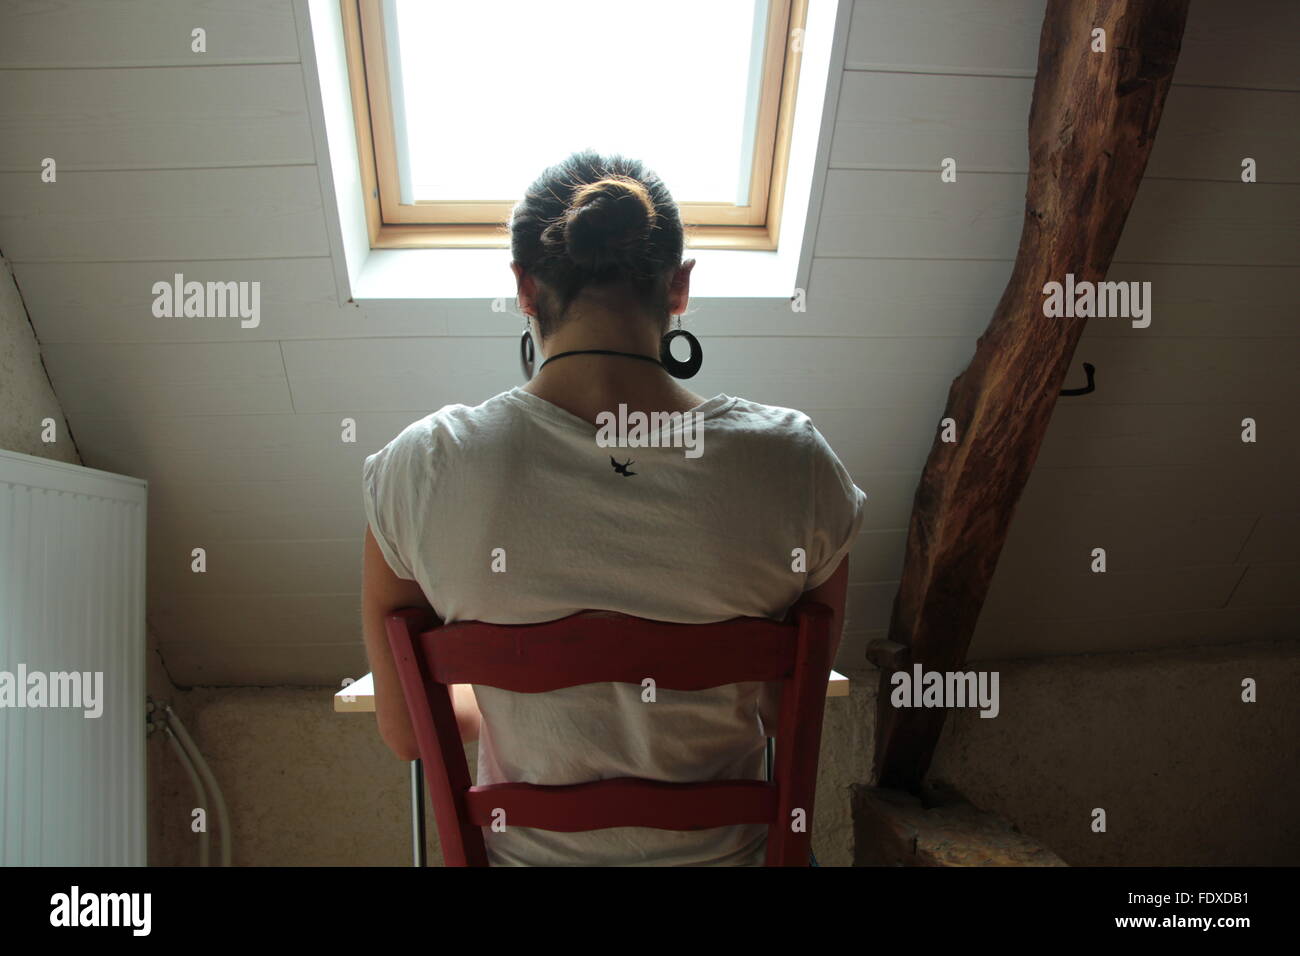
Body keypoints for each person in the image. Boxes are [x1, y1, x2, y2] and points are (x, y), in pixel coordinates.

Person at [360, 150, 866, 865]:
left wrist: (516, 697)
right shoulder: (798, 466)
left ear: (525, 289)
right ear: (679, 287)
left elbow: (410, 733)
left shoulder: (420, 469)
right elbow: (789, 710)